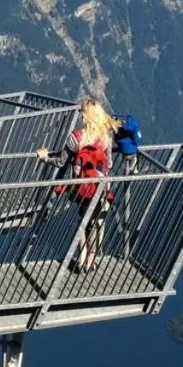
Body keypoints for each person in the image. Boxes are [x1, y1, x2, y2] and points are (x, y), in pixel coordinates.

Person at [36, 98, 121, 273]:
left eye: (82, 111)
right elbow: (109, 164)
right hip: (101, 188)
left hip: (81, 188)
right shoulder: (105, 137)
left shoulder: (76, 137)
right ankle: (91, 261)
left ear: (87, 115)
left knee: (83, 220)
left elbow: (61, 162)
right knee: (97, 223)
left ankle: (81, 260)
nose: (80, 114)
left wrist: (44, 157)